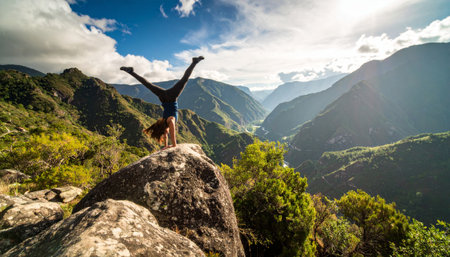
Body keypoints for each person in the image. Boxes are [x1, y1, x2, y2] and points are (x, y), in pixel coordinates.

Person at [120, 56, 204, 149]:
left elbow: (172, 134)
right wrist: (166, 146)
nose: (166, 133)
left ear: (163, 128)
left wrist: (174, 145)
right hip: (163, 98)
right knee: (148, 85)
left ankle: (194, 62)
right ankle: (131, 72)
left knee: (184, 79)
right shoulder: (164, 121)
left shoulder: (170, 121)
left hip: (172, 97)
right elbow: (166, 135)